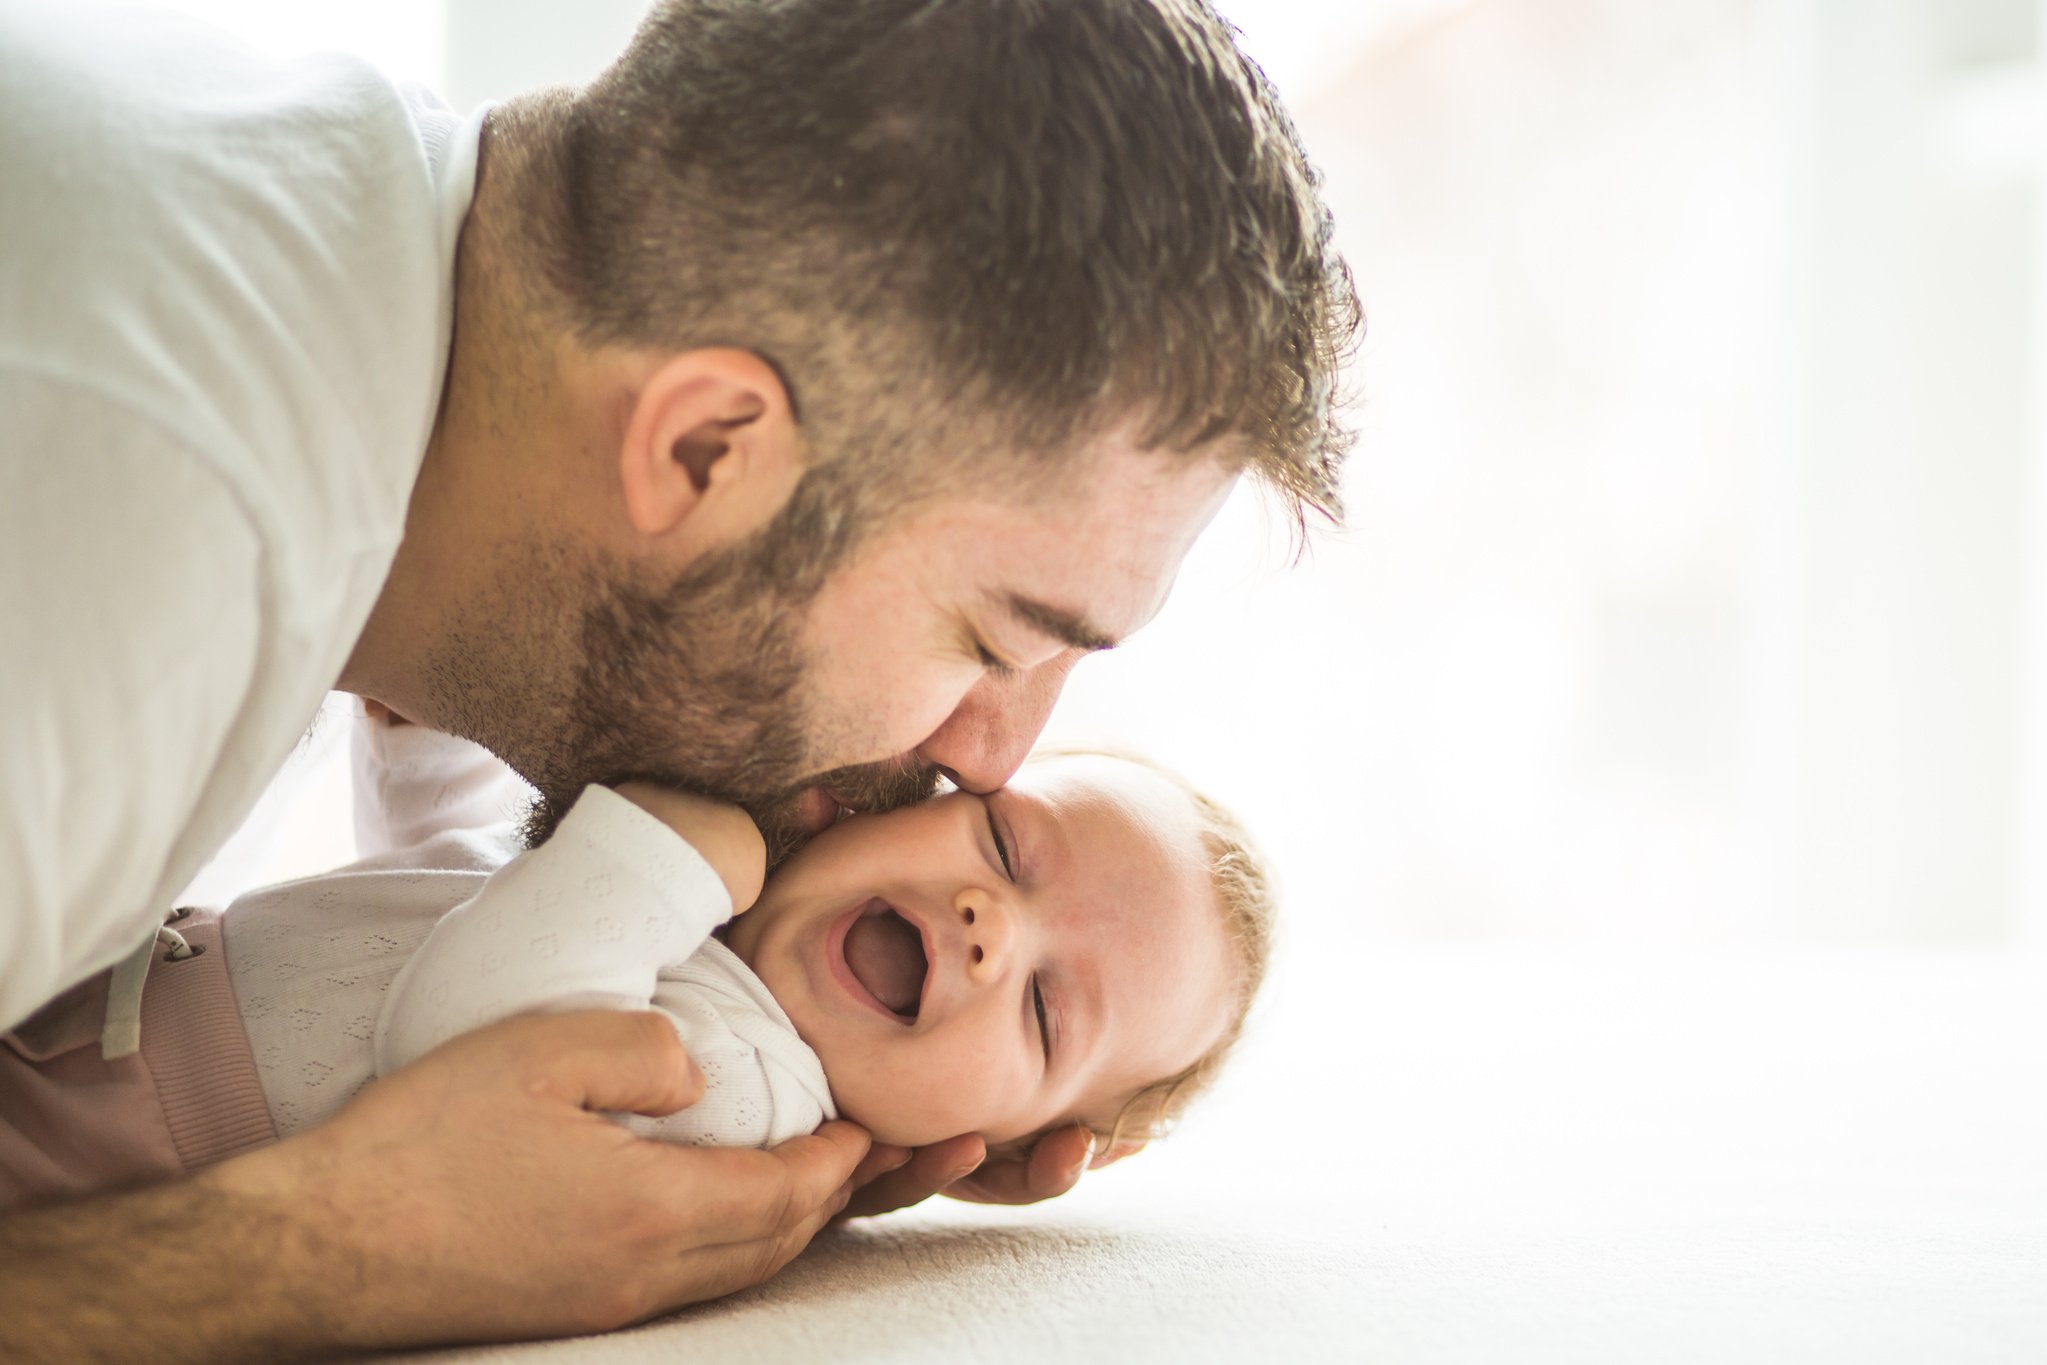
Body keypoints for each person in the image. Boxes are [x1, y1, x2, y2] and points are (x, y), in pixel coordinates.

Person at [0, 0, 1356, 1354]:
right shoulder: (112, 582)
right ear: (708, 449)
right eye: (996, 639)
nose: (990, 756)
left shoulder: (304, 228)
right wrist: (331, 1247)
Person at [0, 714, 1272, 1205]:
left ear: (990, 1149)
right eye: (1003, 840)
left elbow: (463, 1050)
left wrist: (675, 850)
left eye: (1048, 1012)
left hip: (90, 1140)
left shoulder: (741, 1099)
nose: (996, 928)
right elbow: (454, 907)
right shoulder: (686, 953)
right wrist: (431, 743)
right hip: (88, 1006)